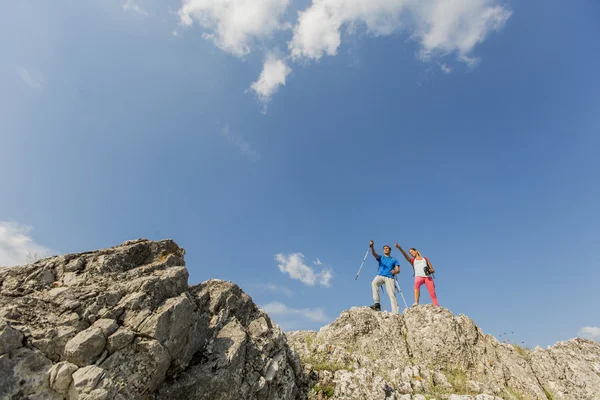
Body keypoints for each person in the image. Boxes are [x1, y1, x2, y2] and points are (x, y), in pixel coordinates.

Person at [368, 240, 400, 313]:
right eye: (384, 248)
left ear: (390, 250)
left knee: (391, 294)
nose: (385, 249)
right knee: (374, 283)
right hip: (380, 275)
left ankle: (395, 312)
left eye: (387, 248)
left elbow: (398, 270)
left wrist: (395, 271)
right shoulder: (381, 257)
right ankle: (377, 304)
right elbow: (374, 253)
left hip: (389, 277)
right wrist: (372, 246)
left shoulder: (393, 259)